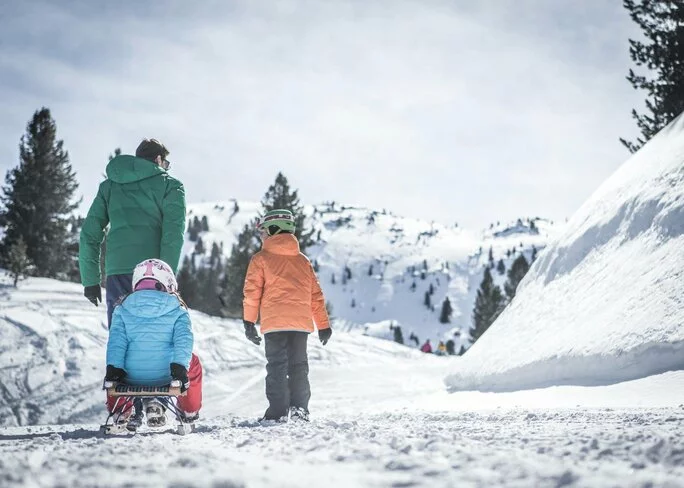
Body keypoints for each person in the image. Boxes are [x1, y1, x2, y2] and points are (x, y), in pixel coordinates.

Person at [79, 139, 186, 326]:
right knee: (153, 342)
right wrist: (167, 279)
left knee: (120, 340)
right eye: (165, 164)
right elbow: (173, 236)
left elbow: (90, 233)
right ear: (158, 160)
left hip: (117, 273)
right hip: (153, 275)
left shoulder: (109, 187)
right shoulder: (170, 186)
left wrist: (90, 280)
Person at [242, 209, 332, 422]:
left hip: (274, 324)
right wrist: (323, 325)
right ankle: (300, 409)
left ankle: (277, 412)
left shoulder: (260, 259)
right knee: (299, 366)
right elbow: (316, 296)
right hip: (300, 325)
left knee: (276, 367)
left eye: (263, 232)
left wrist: (249, 321)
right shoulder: (303, 261)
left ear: (274, 230)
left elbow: (252, 293)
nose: (261, 236)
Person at [104, 258, 203, 430]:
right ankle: (189, 411)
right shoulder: (178, 309)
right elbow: (183, 342)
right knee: (193, 362)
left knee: (114, 368)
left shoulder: (122, 309)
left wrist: (113, 371)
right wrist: (179, 369)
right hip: (167, 376)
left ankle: (121, 411)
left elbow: (116, 344)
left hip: (130, 378)